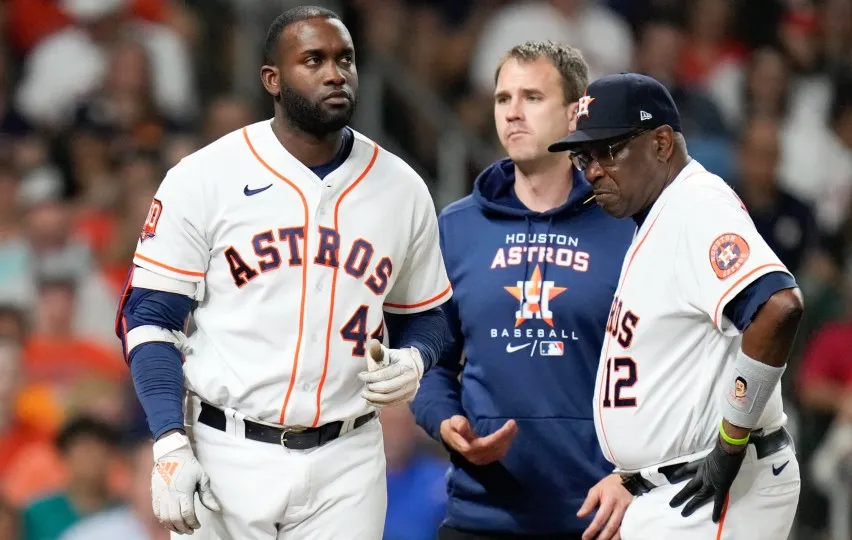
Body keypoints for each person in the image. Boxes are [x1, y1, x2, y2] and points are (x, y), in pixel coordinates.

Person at [114, 6, 451, 539]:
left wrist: (416, 356)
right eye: (313, 60)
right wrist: (169, 440)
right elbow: (150, 318)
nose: (335, 73)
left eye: (345, 59)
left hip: (348, 458)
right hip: (225, 448)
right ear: (272, 79)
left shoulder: (402, 186)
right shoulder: (204, 177)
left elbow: (428, 312)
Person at [547, 73, 803, 539]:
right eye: (583, 157)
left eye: (607, 151)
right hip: (674, 488)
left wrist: (730, 442)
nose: (593, 171)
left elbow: (778, 306)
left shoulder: (695, 206)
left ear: (661, 143)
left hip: (719, 488)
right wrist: (635, 475)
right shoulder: (660, 214)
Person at [411, 41, 636, 540]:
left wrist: (637, 476)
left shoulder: (627, 227)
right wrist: (447, 422)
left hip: (601, 517)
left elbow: (666, 369)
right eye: (502, 98)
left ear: (575, 113)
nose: (513, 112)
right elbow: (429, 360)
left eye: (532, 97)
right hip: (479, 516)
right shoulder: (457, 228)